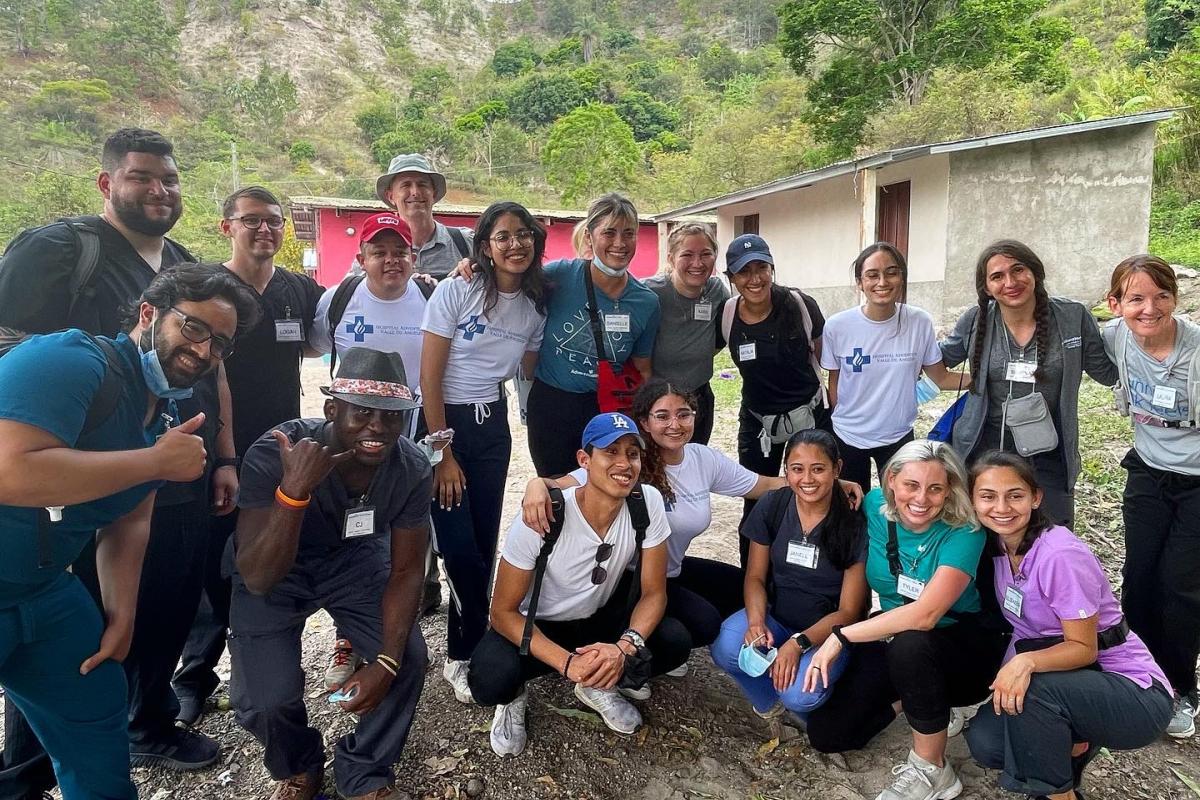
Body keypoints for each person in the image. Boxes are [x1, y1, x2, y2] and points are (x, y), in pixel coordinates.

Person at [0, 128, 236, 787]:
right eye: (142, 177)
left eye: (171, 178)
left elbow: (129, 517)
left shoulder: (162, 401)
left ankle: (140, 728)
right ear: (108, 182)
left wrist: (120, 612)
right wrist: (147, 458)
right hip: (34, 510)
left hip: (61, 568)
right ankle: (23, 775)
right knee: (35, 714)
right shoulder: (61, 283)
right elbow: (12, 465)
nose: (160, 189)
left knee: (94, 695)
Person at [521, 380, 865, 657]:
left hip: (672, 569)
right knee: (703, 623)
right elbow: (567, 481)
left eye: (683, 414)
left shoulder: (702, 459)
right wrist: (538, 484)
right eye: (662, 416)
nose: (675, 424)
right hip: (626, 577)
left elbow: (761, 485)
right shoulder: (628, 462)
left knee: (742, 588)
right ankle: (637, 651)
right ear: (645, 422)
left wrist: (827, 481)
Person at [229, 348, 431, 800]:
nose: (377, 427)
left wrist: (385, 661)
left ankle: (364, 770)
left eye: (392, 415)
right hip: (277, 562)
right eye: (362, 412)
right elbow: (258, 576)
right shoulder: (275, 452)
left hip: (353, 561)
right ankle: (300, 764)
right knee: (264, 700)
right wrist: (295, 491)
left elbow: (405, 569)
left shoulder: (412, 467)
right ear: (330, 409)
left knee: (409, 658)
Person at [174, 186, 324, 728]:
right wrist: (225, 455)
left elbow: (353, 306)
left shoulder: (300, 290)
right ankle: (194, 677)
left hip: (284, 448)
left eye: (274, 222)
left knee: (276, 552)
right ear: (226, 227)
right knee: (212, 558)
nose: (265, 230)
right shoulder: (210, 289)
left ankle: (266, 667)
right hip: (218, 446)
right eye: (252, 221)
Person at [468, 413, 690, 758]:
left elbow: (653, 592)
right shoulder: (544, 515)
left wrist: (622, 648)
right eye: (610, 452)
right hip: (537, 624)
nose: (624, 463)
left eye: (632, 453)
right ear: (584, 461)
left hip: (595, 618)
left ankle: (600, 682)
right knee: (490, 680)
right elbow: (501, 612)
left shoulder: (646, 501)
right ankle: (516, 698)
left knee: (674, 640)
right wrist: (567, 663)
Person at [802, 440, 1009, 800]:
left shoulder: (965, 530)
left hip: (963, 645)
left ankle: (933, 769)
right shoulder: (874, 505)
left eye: (935, 488)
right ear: (891, 481)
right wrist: (840, 485)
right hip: (896, 635)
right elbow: (817, 489)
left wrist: (841, 636)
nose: (921, 499)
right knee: (829, 734)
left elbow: (926, 615)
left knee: (912, 644)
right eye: (911, 485)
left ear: (949, 492)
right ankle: (924, 704)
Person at [964, 451, 1172, 800]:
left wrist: (1023, 663)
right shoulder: (1001, 547)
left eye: (1015, 495)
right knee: (987, 742)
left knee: (1031, 695)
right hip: (1071, 683)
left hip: (1132, 691)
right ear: (972, 500)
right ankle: (1071, 745)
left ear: (1036, 497)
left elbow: (1083, 647)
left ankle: (1060, 795)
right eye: (987, 496)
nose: (1002, 507)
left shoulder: (1059, 554)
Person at [419, 201, 547, 703]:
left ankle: (470, 640)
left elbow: (533, 369)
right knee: (459, 549)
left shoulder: (536, 307)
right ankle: (466, 649)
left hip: (493, 427)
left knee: (483, 539)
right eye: (503, 236)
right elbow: (429, 376)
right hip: (445, 425)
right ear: (485, 246)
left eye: (524, 235)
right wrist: (441, 450)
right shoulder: (457, 289)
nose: (515, 244)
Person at [939, 240, 1117, 528]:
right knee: (984, 534)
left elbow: (1108, 373)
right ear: (986, 287)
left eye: (1018, 269)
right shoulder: (976, 320)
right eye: (997, 276)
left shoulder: (1071, 317)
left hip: (1049, 446)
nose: (1010, 282)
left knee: (1052, 532)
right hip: (986, 445)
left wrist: (1137, 331)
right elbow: (937, 358)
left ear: (1035, 272)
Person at [1103, 254, 1200, 738]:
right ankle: (1138, 669)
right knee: (1138, 573)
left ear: (1174, 299)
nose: (1149, 308)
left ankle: (1182, 686)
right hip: (1147, 470)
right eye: (1136, 298)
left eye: (1161, 295)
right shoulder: (1116, 336)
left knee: (1181, 583)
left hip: (1198, 481)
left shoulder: (1196, 347)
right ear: (1115, 303)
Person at [710, 430, 869, 720]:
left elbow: (849, 611)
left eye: (818, 469)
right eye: (797, 469)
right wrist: (757, 622)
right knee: (726, 648)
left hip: (826, 632)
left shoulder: (854, 519)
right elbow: (755, 577)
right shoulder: (774, 504)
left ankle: (811, 710)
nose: (807, 479)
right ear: (786, 470)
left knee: (801, 694)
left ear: (838, 469)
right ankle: (771, 702)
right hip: (777, 617)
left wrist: (798, 644)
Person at [524, 193, 660, 477]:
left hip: (606, 406)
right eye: (609, 232)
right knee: (556, 490)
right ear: (589, 236)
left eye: (629, 234)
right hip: (552, 404)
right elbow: (510, 281)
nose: (619, 244)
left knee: (605, 490)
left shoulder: (645, 302)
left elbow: (643, 369)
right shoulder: (560, 276)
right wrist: (473, 267)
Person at [716, 233, 827, 567]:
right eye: (744, 271)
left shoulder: (799, 305)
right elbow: (693, 353)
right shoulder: (728, 314)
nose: (755, 278)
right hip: (757, 422)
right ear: (731, 278)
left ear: (772, 268)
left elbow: (828, 359)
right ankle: (751, 579)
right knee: (755, 498)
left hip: (808, 417)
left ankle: (814, 574)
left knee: (814, 494)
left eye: (761, 267)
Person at [820, 243, 969, 489]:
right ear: (860, 282)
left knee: (900, 507)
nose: (882, 282)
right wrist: (840, 416)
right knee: (852, 509)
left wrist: (985, 379)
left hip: (898, 435)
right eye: (872, 275)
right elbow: (834, 380)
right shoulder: (838, 326)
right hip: (847, 435)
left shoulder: (919, 322)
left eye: (891, 272)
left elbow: (940, 378)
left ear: (902, 277)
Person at [644, 223, 728, 445]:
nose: (697, 263)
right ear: (671, 259)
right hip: (657, 399)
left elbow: (723, 334)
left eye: (706, 254)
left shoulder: (717, 291)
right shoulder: (650, 292)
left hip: (699, 395)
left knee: (694, 463)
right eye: (687, 255)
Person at [375, 153, 472, 280]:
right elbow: (348, 292)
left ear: (434, 193)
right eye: (406, 185)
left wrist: (476, 266)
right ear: (391, 196)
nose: (415, 192)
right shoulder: (376, 249)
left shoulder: (465, 241)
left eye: (422, 184)